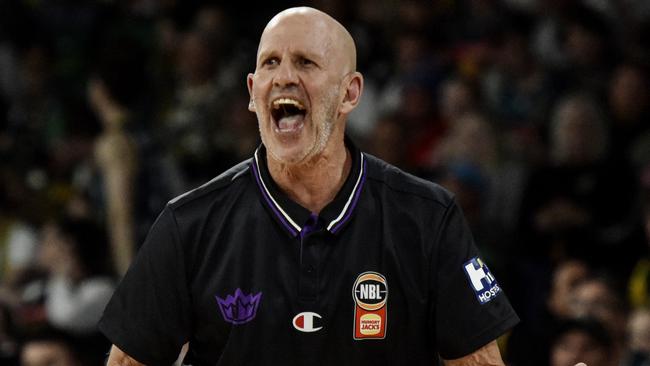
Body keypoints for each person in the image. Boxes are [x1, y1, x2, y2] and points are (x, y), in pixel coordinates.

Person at [100, 7, 524, 365]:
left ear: (350, 93)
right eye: (270, 63)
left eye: (305, 62)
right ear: (252, 92)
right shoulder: (188, 224)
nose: (284, 76)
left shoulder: (428, 217)